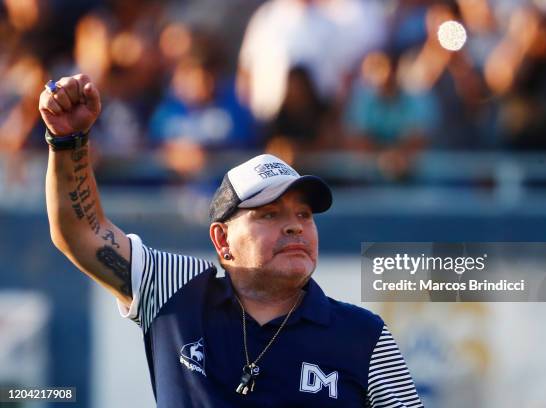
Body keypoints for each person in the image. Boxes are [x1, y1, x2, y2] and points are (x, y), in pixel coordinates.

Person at [39, 74, 424, 407]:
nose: (295, 227)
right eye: (269, 214)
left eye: (304, 215)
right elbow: (81, 233)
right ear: (222, 239)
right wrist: (69, 140)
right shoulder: (178, 287)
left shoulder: (365, 336)